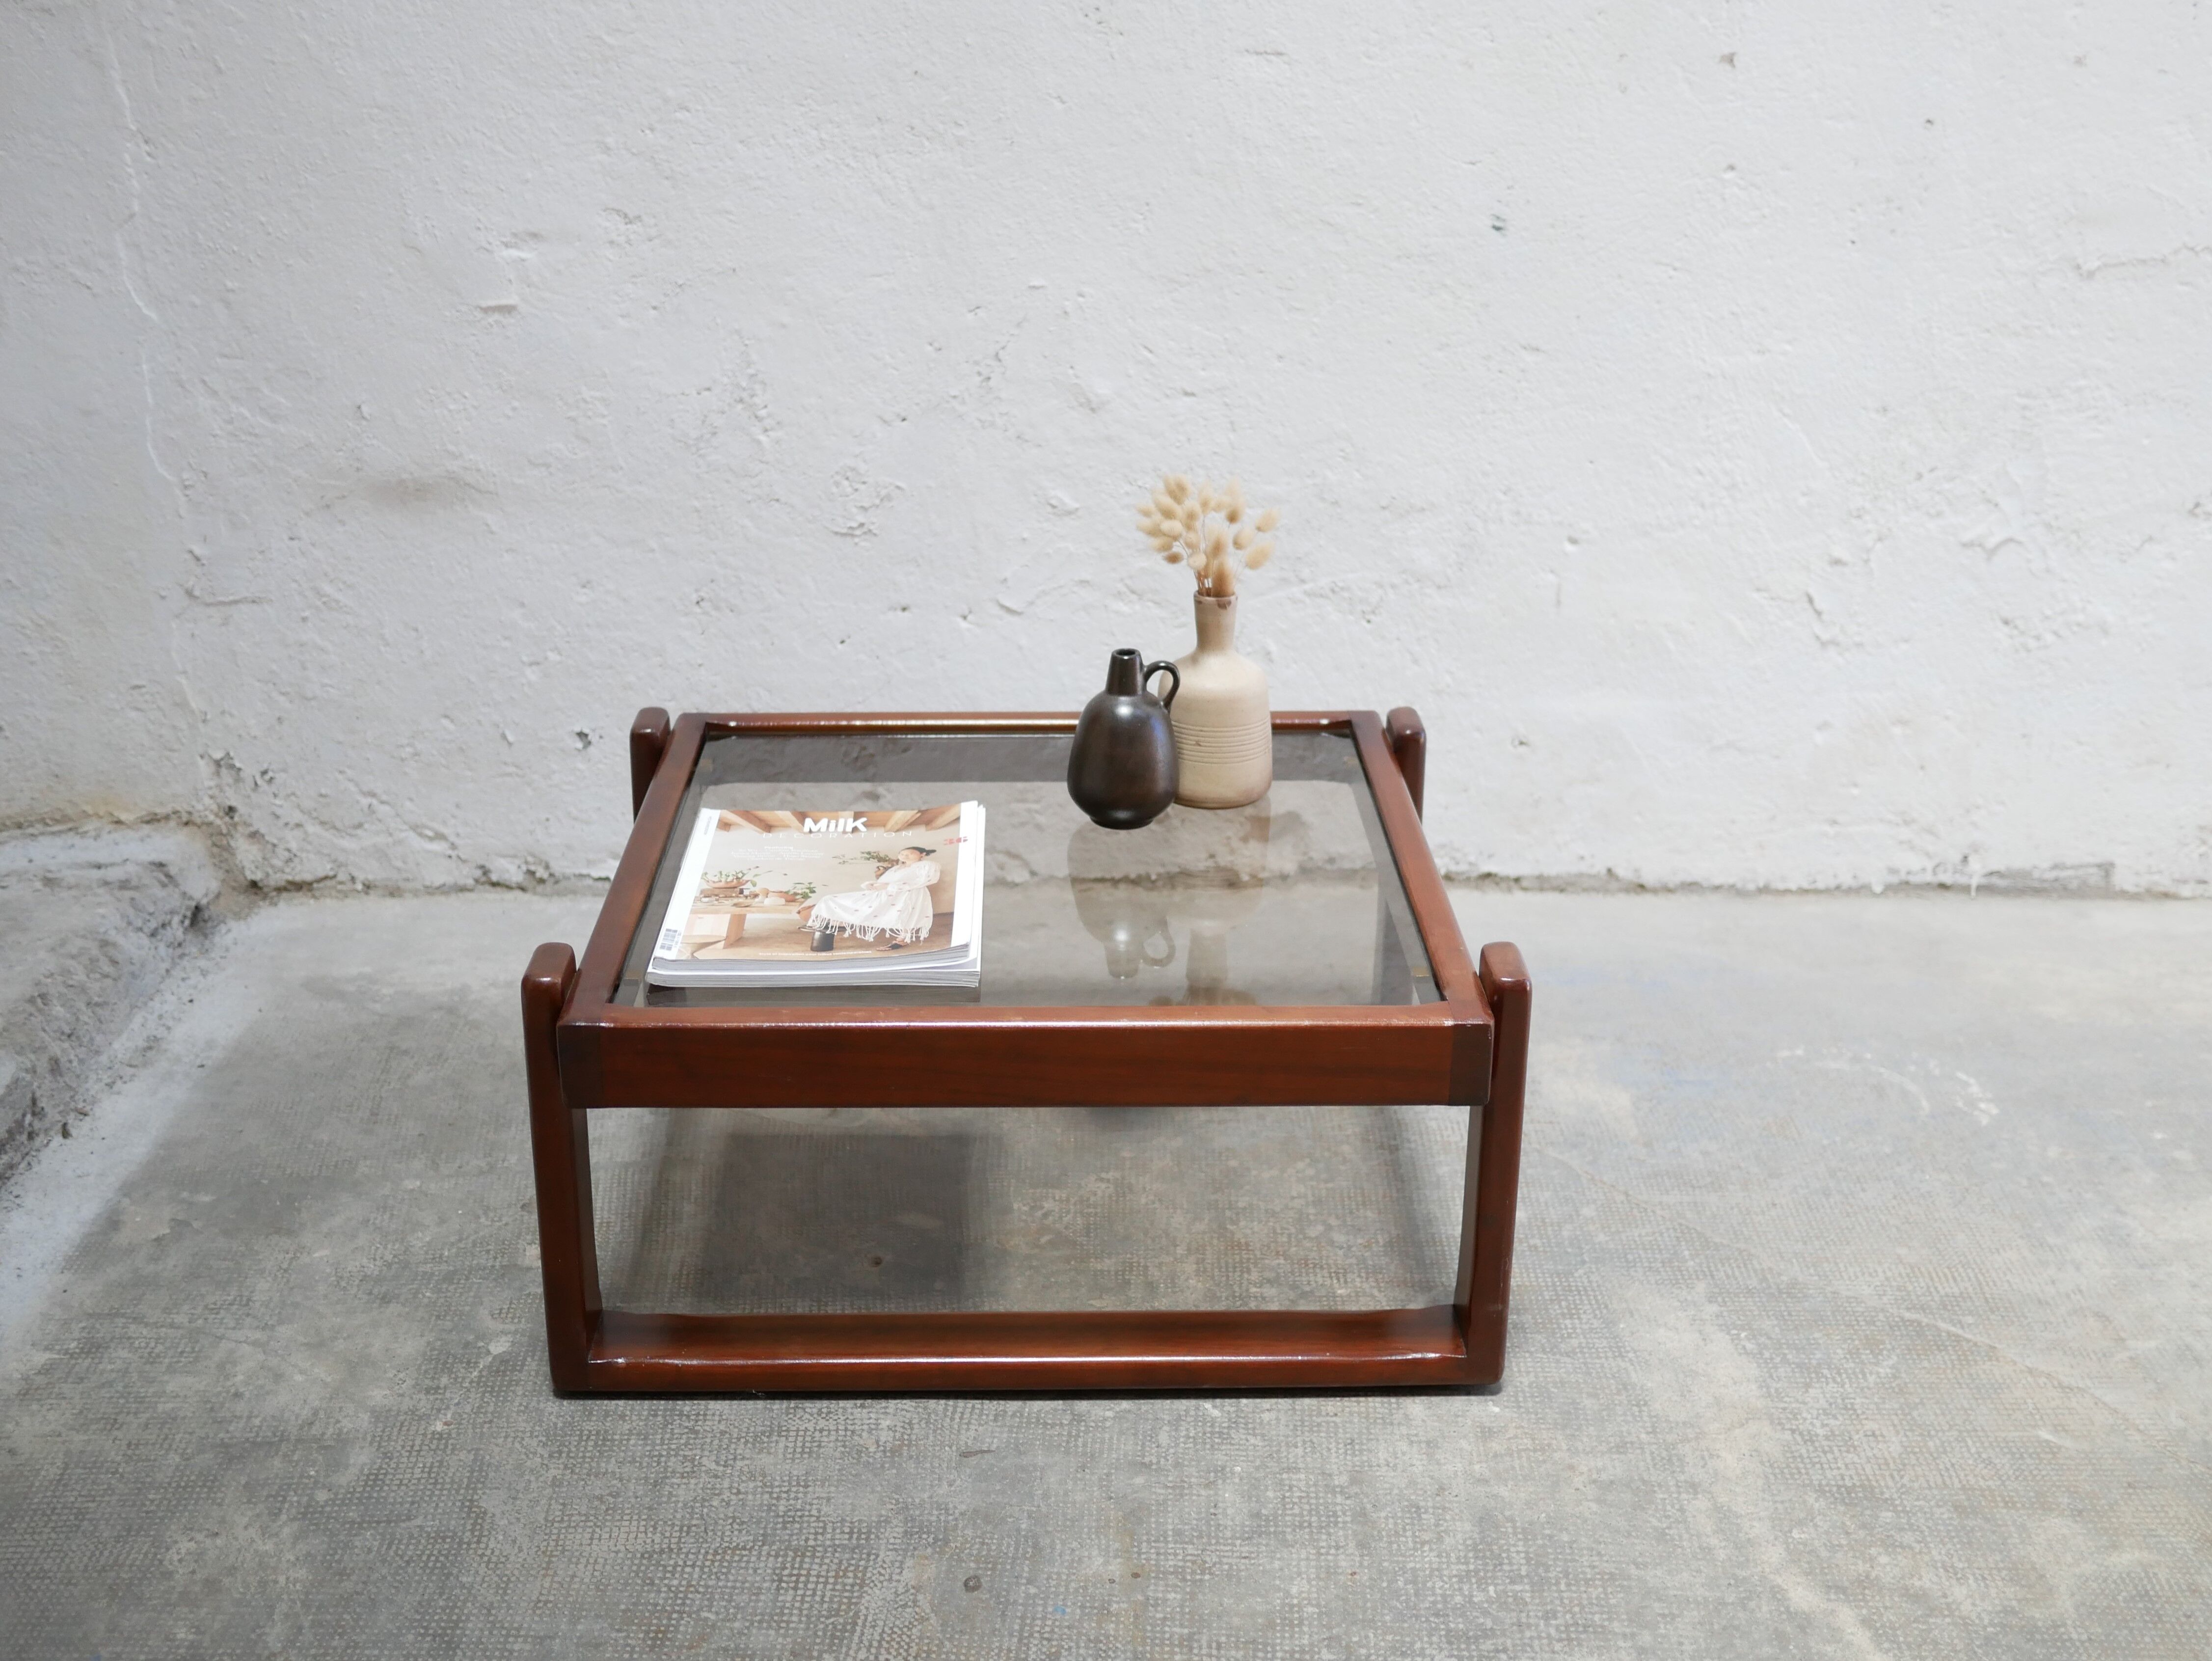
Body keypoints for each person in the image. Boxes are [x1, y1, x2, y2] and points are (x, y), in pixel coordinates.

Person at [800, 846, 941, 948]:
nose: (905, 856)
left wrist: (890, 887)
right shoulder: (897, 868)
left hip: (908, 894)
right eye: (902, 854)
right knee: (830, 899)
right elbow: (883, 883)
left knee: (906, 916)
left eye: (910, 854)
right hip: (887, 893)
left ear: (922, 854)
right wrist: (873, 885)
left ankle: (902, 939)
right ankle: (840, 921)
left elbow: (925, 881)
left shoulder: (927, 865)